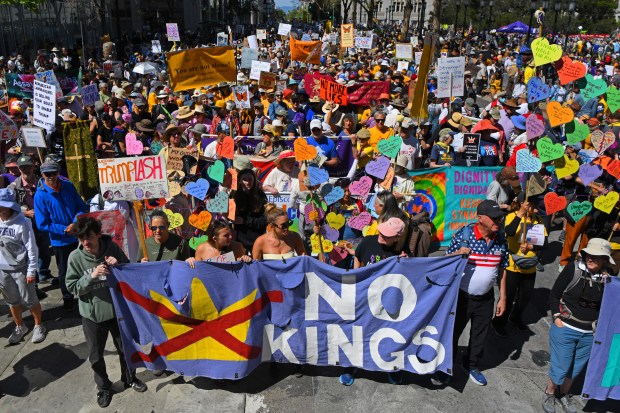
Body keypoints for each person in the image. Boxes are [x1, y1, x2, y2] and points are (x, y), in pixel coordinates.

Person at [65, 216, 147, 408]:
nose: (86, 242)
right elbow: (71, 287)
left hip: (118, 313)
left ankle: (129, 379)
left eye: (89, 237)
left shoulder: (112, 248)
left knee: (126, 350)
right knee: (95, 356)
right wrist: (91, 277)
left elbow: (129, 272)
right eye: (81, 238)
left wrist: (118, 265)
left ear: (99, 234)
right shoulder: (75, 258)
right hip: (92, 317)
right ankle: (103, 388)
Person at [438, 200, 509, 386]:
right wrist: (457, 253)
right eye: (494, 218)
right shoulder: (465, 234)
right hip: (461, 297)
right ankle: (446, 366)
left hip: (486, 298)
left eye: (500, 217)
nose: (498, 221)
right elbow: (444, 261)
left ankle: (471, 365)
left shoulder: (501, 238)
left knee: (480, 336)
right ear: (480, 218)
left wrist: (503, 297)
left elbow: (503, 268)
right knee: (452, 333)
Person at [543, 238, 616, 413]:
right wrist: (557, 317)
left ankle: (564, 395)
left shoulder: (609, 279)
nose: (591, 258)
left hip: (590, 334)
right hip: (565, 328)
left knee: (576, 369)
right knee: (560, 367)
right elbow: (554, 294)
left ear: (604, 260)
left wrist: (610, 286)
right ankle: (550, 393)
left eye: (597, 256)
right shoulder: (573, 269)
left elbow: (612, 306)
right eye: (589, 254)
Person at [339, 217, 409, 386]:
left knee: (388, 333)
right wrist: (355, 278)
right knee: (357, 332)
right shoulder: (369, 241)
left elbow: (408, 278)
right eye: (381, 230)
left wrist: (406, 263)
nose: (381, 235)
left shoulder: (403, 251)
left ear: (397, 238)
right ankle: (349, 367)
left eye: (386, 235)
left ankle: (392, 367)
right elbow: (358, 255)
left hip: (388, 301)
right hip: (364, 297)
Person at [34, 159, 88, 311]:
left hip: (79, 233)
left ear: (58, 173)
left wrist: (75, 222)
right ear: (42, 174)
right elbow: (42, 223)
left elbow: (81, 206)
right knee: (64, 270)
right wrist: (64, 229)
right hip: (60, 240)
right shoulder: (40, 196)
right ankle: (67, 297)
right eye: (47, 174)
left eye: (54, 173)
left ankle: (85, 291)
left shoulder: (68, 186)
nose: (51, 176)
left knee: (84, 264)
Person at [491, 192, 547, 337]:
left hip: (529, 266)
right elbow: (508, 232)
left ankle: (515, 317)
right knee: (508, 297)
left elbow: (543, 243)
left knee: (525, 297)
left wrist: (531, 247)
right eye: (529, 204)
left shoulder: (538, 220)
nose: (532, 207)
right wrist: (520, 214)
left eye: (534, 205)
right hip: (512, 265)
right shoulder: (511, 216)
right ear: (521, 204)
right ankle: (498, 321)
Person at [0, 188, 46, 344]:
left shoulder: (22, 222)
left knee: (30, 300)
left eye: (2, 205)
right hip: (2, 270)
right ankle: (20, 326)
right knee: (12, 301)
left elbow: (32, 248)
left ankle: (39, 325)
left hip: (21, 268)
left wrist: (32, 270)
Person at [232, 168, 268, 253]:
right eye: (244, 179)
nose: (247, 182)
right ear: (239, 181)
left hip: (257, 239)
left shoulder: (260, 195)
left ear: (254, 180)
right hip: (240, 240)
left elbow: (264, 220)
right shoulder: (235, 195)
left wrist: (245, 221)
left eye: (250, 179)